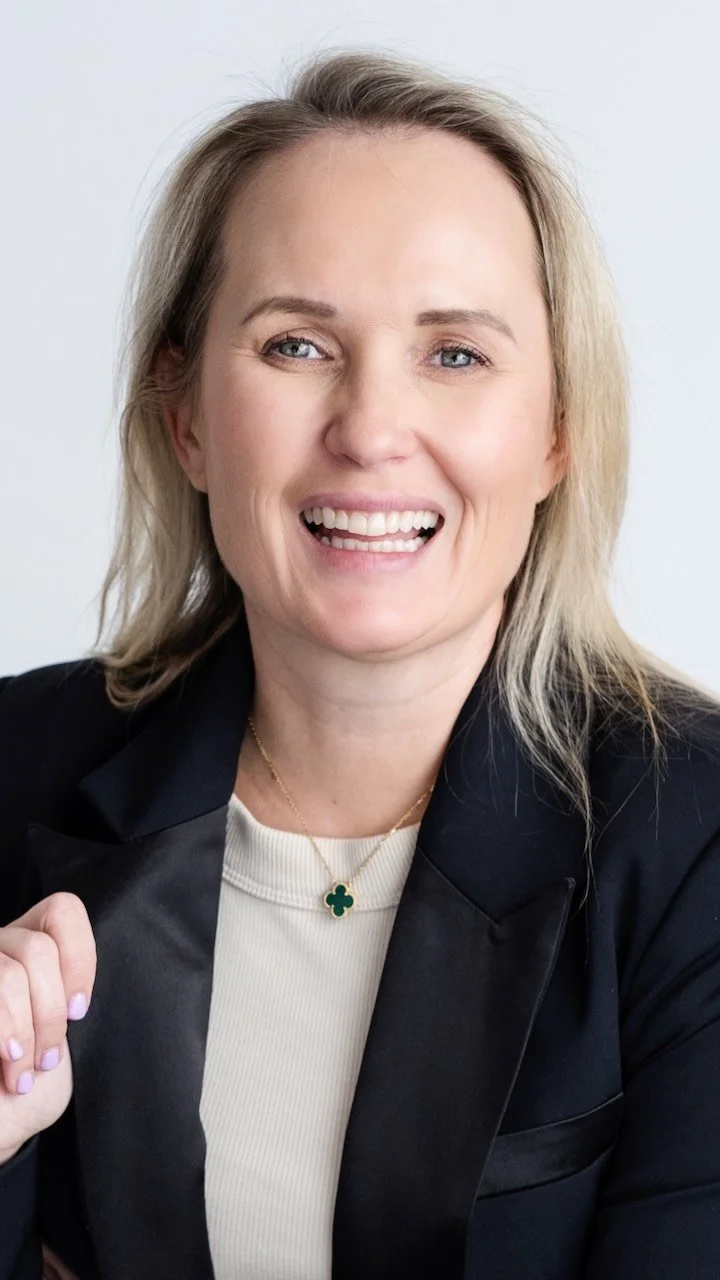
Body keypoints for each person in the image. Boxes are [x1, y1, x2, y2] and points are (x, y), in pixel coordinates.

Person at [1, 45, 719, 1280]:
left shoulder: (698, 833)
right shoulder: (16, 765)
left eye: (456, 353)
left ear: (557, 430)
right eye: (295, 345)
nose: (372, 430)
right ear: (185, 416)